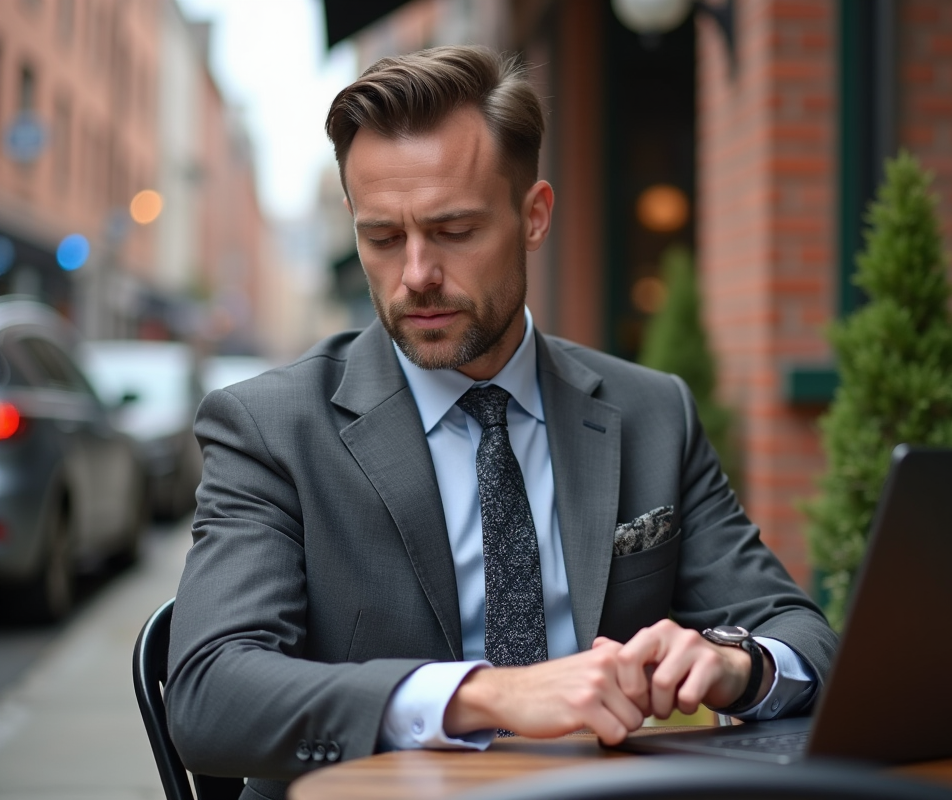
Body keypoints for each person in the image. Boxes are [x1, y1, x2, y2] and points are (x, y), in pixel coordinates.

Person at [165, 45, 837, 799]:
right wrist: (484, 696)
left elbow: (805, 636)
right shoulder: (270, 428)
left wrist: (736, 666)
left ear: (534, 217)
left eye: (454, 231)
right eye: (383, 238)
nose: (416, 274)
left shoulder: (651, 412)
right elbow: (207, 691)